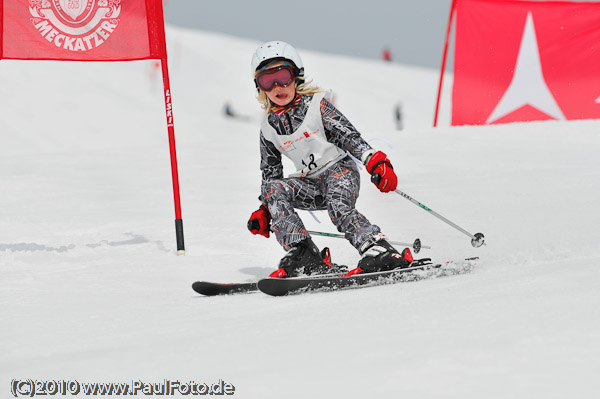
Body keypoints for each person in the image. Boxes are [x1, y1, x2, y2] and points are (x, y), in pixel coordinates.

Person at [247, 41, 412, 278]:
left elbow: (348, 136)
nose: (276, 86)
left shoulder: (316, 106)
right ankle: (304, 253)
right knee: (271, 189)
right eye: (266, 80)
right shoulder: (268, 129)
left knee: (338, 207)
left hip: (339, 172)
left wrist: (374, 161)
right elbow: (270, 175)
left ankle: (377, 249)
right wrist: (267, 209)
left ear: (296, 77)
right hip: (309, 185)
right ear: (259, 86)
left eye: (283, 76)